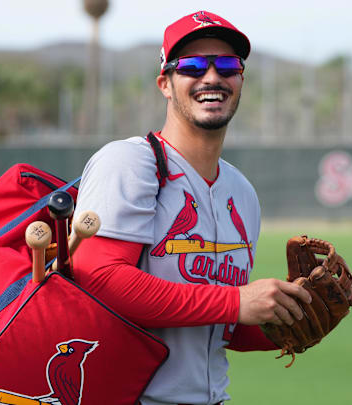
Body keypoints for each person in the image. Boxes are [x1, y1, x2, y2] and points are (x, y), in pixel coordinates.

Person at [71, 10, 312, 405]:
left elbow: (213, 324)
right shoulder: (131, 162)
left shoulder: (242, 192)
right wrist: (237, 301)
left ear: (241, 80)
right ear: (165, 83)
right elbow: (100, 278)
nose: (212, 77)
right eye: (193, 66)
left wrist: (286, 321)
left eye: (228, 66)